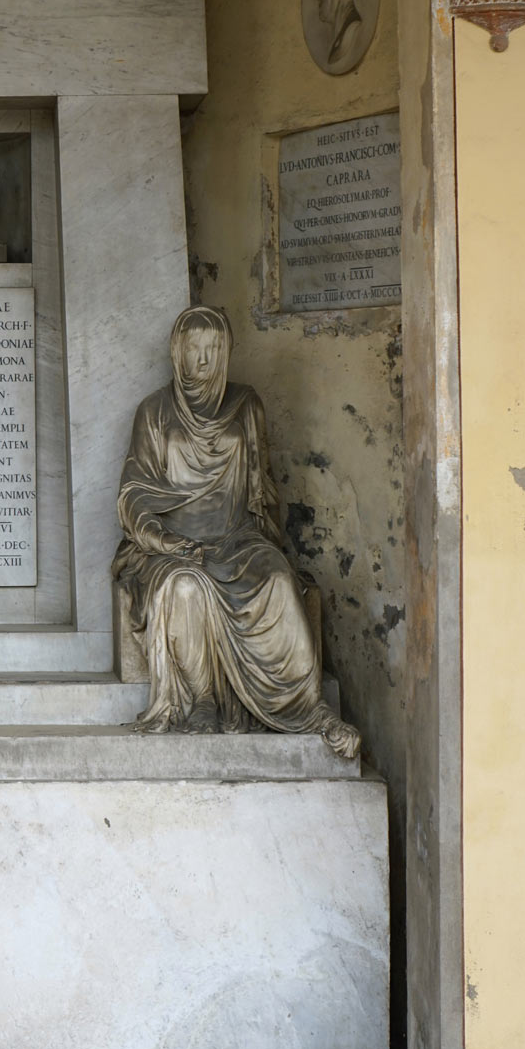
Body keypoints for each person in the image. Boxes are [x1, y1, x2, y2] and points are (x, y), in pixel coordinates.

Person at [112, 305, 360, 760]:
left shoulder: (247, 406)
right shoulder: (153, 412)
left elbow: (261, 489)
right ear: (177, 351)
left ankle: (308, 708)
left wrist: (265, 542)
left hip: (237, 537)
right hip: (173, 543)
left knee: (279, 582)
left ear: (225, 354)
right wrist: (161, 540)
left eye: (213, 350)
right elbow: (134, 494)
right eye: (194, 349)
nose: (203, 362)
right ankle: (201, 700)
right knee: (185, 588)